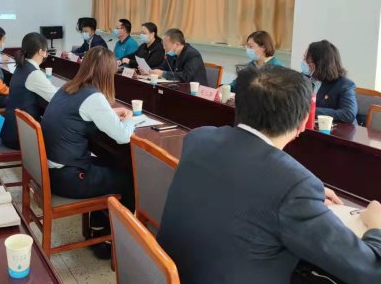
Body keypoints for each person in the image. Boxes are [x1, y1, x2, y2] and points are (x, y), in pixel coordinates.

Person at [157, 66, 381, 284]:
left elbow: (239, 182)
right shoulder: (294, 186)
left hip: (170, 274)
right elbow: (370, 272)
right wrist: (376, 227)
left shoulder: (199, 138)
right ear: (304, 122)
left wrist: (302, 195)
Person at [41, 47, 135, 258]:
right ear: (107, 73)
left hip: (53, 171)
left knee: (109, 164)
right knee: (128, 180)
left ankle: (98, 229)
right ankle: (115, 246)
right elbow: (123, 136)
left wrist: (111, 112)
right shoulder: (94, 97)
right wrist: (130, 120)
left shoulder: (67, 88)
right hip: (69, 178)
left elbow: (83, 112)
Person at [1, 32, 58, 149]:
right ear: (40, 51)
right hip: (21, 137)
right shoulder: (34, 74)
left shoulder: (21, 66)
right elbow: (56, 97)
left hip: (11, 130)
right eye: (46, 50)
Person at [301, 40, 358, 123]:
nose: (304, 61)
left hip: (337, 130)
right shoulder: (303, 79)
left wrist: (310, 110)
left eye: (307, 60)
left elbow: (348, 114)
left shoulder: (344, 85)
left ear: (319, 64)